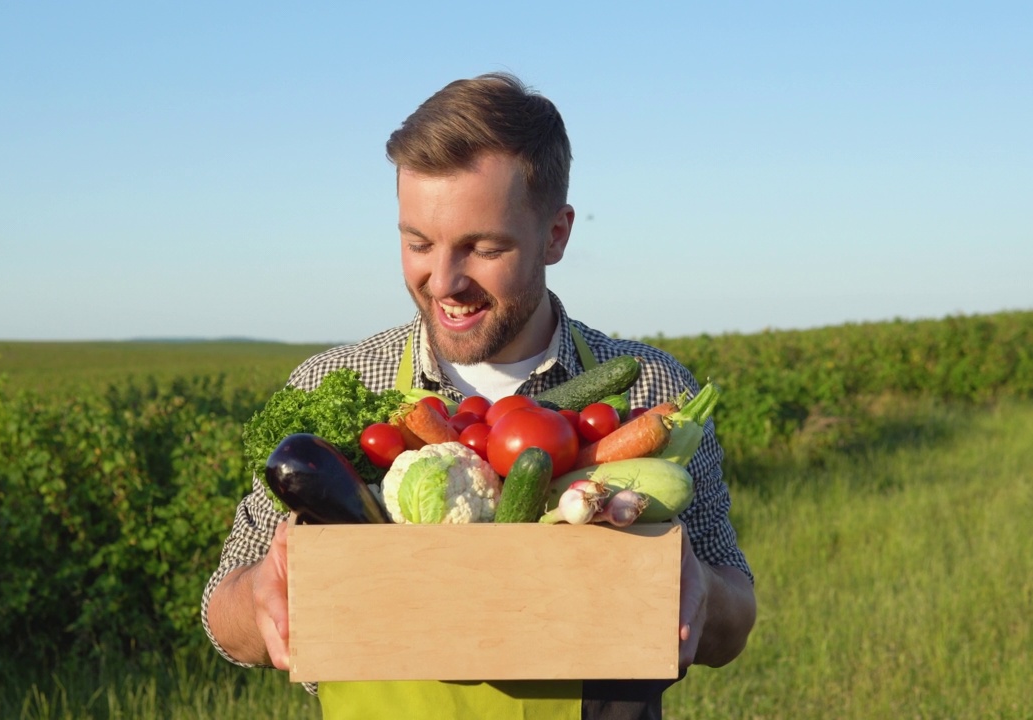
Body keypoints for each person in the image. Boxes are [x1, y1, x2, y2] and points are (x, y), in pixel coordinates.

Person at [202, 72, 756, 720]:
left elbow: (733, 619)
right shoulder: (334, 387)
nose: (443, 281)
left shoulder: (657, 390)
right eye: (417, 243)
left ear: (556, 234)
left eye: (483, 248)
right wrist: (261, 600)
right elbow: (224, 607)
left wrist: (698, 593)